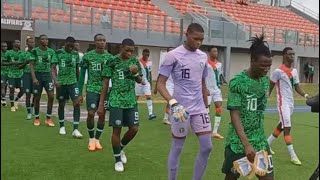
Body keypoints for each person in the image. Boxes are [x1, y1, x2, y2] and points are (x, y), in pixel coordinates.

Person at [157, 23, 212, 180]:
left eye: (201, 40)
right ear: (186, 34)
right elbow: (160, 84)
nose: (199, 43)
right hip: (181, 110)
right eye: (196, 39)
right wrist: (173, 103)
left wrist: (206, 106)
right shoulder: (173, 56)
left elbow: (202, 83)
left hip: (200, 108)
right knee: (178, 147)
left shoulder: (203, 56)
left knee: (207, 147)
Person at [222, 34, 274, 180]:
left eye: (268, 66)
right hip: (239, 142)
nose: (266, 69)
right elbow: (235, 114)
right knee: (231, 177)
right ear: (252, 60)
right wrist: (246, 144)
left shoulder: (265, 81)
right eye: (263, 65)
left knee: (267, 178)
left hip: (259, 141)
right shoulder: (237, 83)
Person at [97, 38, 143, 172]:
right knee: (116, 130)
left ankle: (120, 147)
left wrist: (135, 73)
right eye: (127, 50)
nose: (129, 53)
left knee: (134, 129)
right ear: (120, 48)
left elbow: (140, 80)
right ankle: (117, 160)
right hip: (116, 100)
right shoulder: (112, 61)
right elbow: (105, 84)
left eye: (132, 51)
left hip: (130, 101)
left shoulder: (135, 61)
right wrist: (101, 105)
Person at [267, 47, 309, 165]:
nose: (292, 56)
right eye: (290, 54)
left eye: (293, 54)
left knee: (282, 125)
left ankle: (267, 144)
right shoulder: (277, 71)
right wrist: (266, 97)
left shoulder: (294, 71)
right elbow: (270, 85)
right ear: (284, 55)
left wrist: (306, 95)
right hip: (282, 103)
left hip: (291, 103)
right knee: (287, 128)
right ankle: (293, 155)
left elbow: (297, 87)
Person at [78, 34, 114, 151]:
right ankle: (91, 138)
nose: (101, 42)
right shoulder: (87, 56)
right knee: (91, 114)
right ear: (94, 42)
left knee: (102, 114)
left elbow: (112, 76)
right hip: (92, 89)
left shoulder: (110, 58)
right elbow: (82, 75)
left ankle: (97, 139)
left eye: (104, 40)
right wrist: (80, 93)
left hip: (105, 90)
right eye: (99, 40)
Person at [51, 36, 83, 138]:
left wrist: (78, 83)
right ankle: (62, 126)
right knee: (61, 104)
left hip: (73, 83)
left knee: (77, 104)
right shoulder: (58, 53)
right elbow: (52, 68)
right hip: (61, 83)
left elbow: (77, 69)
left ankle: (76, 129)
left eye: (72, 46)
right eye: (69, 46)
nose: (71, 48)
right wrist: (55, 80)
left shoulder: (75, 54)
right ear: (65, 44)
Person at [29, 34, 55, 126]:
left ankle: (48, 118)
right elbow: (31, 65)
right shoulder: (35, 51)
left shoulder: (51, 51)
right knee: (37, 97)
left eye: (46, 39)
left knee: (51, 96)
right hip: (38, 76)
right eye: (43, 39)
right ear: (39, 41)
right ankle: (37, 118)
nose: (45, 40)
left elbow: (53, 66)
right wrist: (34, 78)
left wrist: (54, 78)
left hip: (47, 76)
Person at [206, 46, 224, 139]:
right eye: (213, 51)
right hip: (207, 89)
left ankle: (215, 131)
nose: (215, 53)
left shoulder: (219, 64)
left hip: (216, 89)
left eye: (216, 51)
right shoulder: (205, 64)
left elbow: (220, 75)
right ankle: (206, 129)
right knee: (206, 110)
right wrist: (204, 88)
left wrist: (221, 82)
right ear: (209, 53)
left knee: (219, 107)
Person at [154, 47, 175, 125]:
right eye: (170, 51)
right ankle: (167, 118)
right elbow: (160, 75)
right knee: (170, 100)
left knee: (174, 101)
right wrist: (156, 87)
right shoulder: (165, 62)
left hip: (175, 84)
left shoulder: (176, 61)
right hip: (168, 84)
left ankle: (168, 118)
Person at [3, 40, 24, 112]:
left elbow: (24, 62)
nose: (18, 43)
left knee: (23, 90)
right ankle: (12, 106)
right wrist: (11, 63)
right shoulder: (8, 52)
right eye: (17, 42)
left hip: (20, 75)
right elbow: (3, 62)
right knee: (11, 90)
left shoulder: (22, 53)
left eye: (19, 42)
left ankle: (16, 100)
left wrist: (19, 63)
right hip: (11, 74)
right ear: (13, 44)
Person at [136, 48, 156, 120]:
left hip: (146, 83)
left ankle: (150, 114)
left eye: (148, 54)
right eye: (145, 54)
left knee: (148, 96)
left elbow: (150, 73)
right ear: (142, 54)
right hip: (138, 82)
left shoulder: (150, 62)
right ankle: (135, 113)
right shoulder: (138, 62)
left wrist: (150, 83)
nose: (147, 56)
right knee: (136, 98)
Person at [18, 37, 35, 120]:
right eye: (30, 42)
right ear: (27, 44)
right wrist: (26, 62)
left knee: (36, 94)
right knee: (28, 94)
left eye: (33, 42)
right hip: (26, 75)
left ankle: (33, 107)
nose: (32, 44)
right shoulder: (23, 54)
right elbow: (19, 67)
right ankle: (29, 113)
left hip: (35, 75)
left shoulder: (36, 53)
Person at [1, 42, 9, 106]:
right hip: (2, 73)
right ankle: (3, 100)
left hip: (8, 73)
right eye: (3, 46)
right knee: (2, 86)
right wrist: (11, 63)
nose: (4, 48)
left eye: (5, 46)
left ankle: (2, 98)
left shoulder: (9, 53)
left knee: (5, 86)